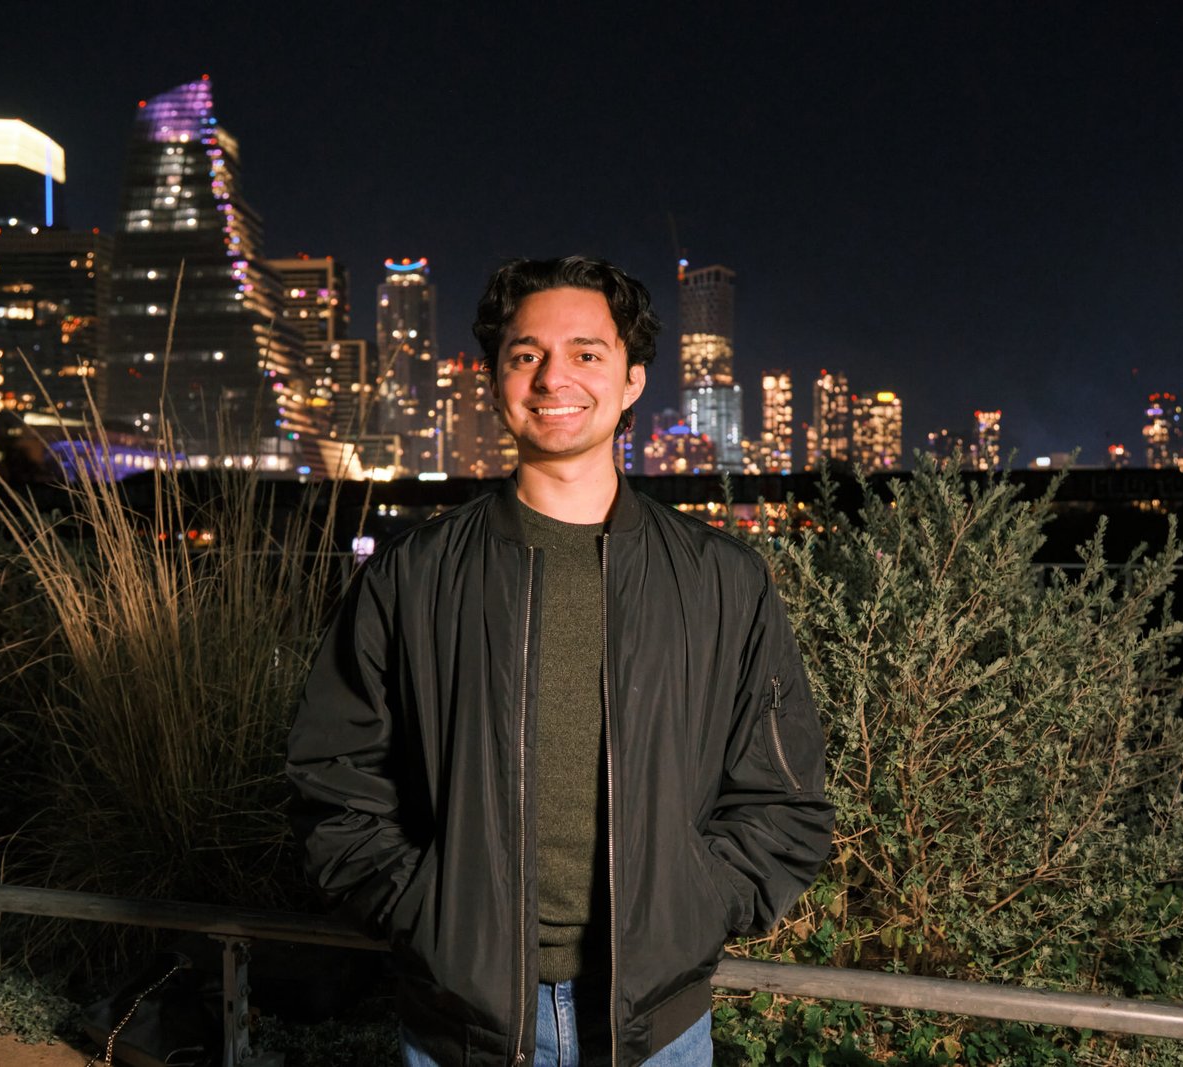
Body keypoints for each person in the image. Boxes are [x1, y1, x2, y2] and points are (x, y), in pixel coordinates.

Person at [287, 255, 833, 1066]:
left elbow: (786, 798)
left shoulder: (723, 579)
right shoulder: (414, 573)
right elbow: (333, 779)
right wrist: (422, 909)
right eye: (525, 354)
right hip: (460, 1022)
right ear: (496, 377)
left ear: (633, 379)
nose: (553, 378)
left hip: (660, 1024)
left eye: (586, 353)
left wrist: (698, 903)